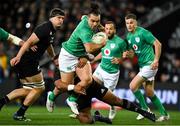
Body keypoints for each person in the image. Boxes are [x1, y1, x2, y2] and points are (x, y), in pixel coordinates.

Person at [0, 8, 65, 121]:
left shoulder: (51, 30)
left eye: (63, 18)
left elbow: (48, 45)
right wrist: (18, 57)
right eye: (58, 18)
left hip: (26, 61)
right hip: (28, 60)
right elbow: (29, 42)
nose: (61, 20)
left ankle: (2, 102)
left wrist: (54, 57)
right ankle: (20, 113)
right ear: (51, 18)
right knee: (40, 88)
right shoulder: (45, 28)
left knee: (28, 89)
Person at [46, 3, 106, 115]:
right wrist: (103, 43)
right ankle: (51, 96)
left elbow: (84, 16)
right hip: (68, 55)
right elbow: (89, 48)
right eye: (92, 21)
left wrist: (100, 26)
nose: (95, 24)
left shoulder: (85, 18)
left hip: (80, 55)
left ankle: (72, 100)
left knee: (88, 80)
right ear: (88, 19)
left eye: (97, 21)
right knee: (65, 86)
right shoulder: (85, 30)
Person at [123, 13, 169, 122]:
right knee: (149, 93)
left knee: (132, 86)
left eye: (131, 23)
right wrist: (127, 54)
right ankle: (165, 114)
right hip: (142, 66)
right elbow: (133, 53)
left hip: (150, 65)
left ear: (136, 23)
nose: (129, 25)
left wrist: (156, 60)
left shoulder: (143, 32)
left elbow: (158, 44)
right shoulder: (129, 36)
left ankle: (144, 109)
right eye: (127, 23)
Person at [54, 78, 156, 124]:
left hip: (93, 87)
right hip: (80, 95)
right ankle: (97, 118)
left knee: (117, 101)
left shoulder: (77, 60)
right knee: (85, 120)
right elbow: (58, 84)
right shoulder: (60, 71)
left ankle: (143, 112)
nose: (58, 63)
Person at [92, 21, 127, 120]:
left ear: (114, 30)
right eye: (106, 29)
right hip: (101, 69)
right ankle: (82, 109)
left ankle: (112, 107)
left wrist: (120, 59)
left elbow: (126, 54)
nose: (108, 31)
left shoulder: (120, 42)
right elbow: (103, 53)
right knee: (90, 86)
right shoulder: (104, 39)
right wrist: (94, 59)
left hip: (112, 74)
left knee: (108, 98)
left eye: (110, 29)